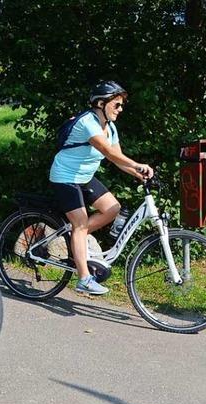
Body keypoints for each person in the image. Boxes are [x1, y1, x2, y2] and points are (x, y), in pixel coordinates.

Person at [49, 80, 153, 295]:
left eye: (121, 105)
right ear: (100, 103)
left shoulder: (110, 127)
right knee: (79, 225)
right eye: (117, 104)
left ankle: (75, 239)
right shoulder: (88, 123)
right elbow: (108, 151)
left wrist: (139, 175)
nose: (120, 109)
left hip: (84, 176)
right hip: (65, 176)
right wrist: (137, 165)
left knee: (112, 209)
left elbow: (118, 159)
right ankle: (84, 279)